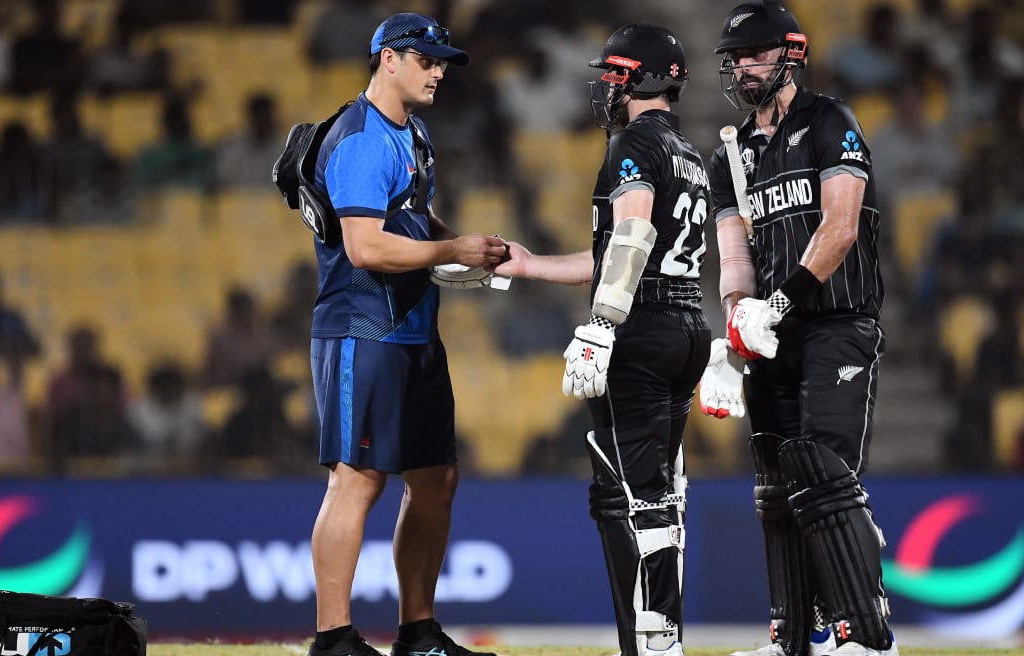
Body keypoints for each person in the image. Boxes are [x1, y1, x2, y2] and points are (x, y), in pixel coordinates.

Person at [491, 24, 709, 656]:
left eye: (615, 73)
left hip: (641, 330)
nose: (606, 86)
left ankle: (652, 643)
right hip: (684, 324)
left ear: (642, 78)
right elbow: (618, 252)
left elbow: (633, 237)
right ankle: (657, 635)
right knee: (662, 490)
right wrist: (531, 266)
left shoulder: (636, 141)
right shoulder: (686, 152)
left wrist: (602, 325)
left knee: (630, 496)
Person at [301, 12, 507, 656]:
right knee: (356, 479)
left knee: (436, 477)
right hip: (363, 331)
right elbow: (363, 248)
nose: (439, 70)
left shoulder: (412, 132)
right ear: (388, 59)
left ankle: (417, 633)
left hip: (412, 331)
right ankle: (333, 637)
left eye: (443, 60)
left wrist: (461, 251)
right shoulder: (361, 138)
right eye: (427, 59)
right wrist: (452, 248)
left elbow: (413, 218)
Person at [700, 3, 896, 656]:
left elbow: (840, 228)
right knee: (776, 480)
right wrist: (733, 338)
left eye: (754, 53)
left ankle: (864, 635)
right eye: (734, 58)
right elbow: (734, 260)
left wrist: (777, 306)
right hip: (769, 335)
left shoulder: (829, 121)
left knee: (824, 472)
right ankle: (794, 641)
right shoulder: (730, 151)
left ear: (791, 52)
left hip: (836, 322)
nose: (741, 67)